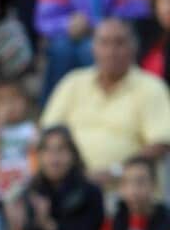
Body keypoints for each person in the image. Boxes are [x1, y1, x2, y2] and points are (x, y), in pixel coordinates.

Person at [41, 19, 170, 188]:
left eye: (120, 43)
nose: (111, 51)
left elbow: (160, 143)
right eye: (104, 43)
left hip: (128, 191)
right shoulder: (73, 82)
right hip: (72, 189)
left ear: (134, 48)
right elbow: (47, 133)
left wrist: (118, 171)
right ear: (93, 48)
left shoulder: (151, 87)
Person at [4, 127, 105, 230]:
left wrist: (49, 225)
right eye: (47, 150)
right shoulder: (29, 192)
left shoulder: (90, 192)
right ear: (39, 156)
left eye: (61, 150)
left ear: (73, 154)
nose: (54, 157)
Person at [96, 156, 170, 230]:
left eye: (140, 182)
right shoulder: (112, 222)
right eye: (125, 182)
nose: (132, 191)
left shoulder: (166, 221)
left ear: (154, 185)